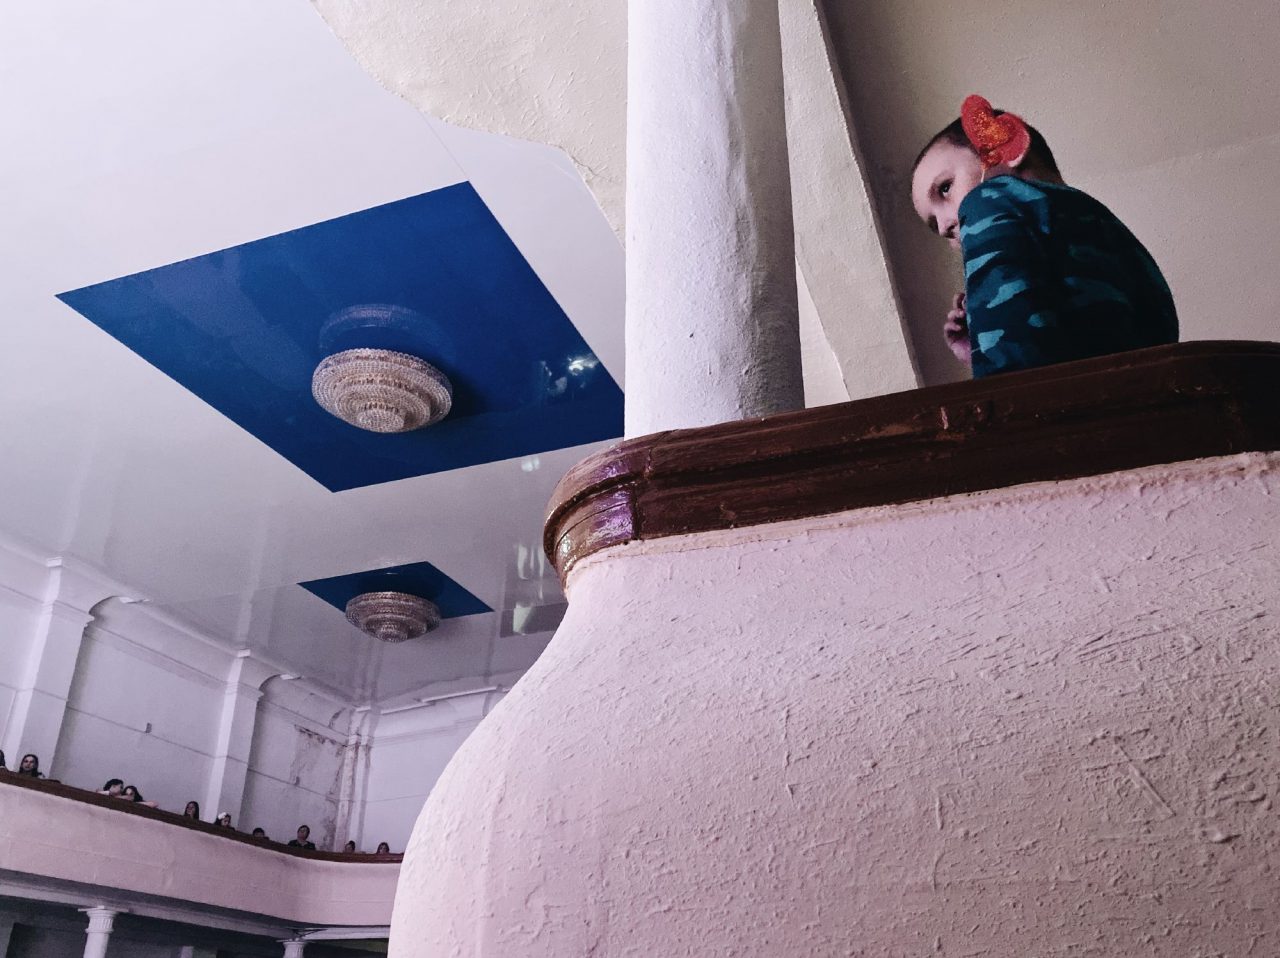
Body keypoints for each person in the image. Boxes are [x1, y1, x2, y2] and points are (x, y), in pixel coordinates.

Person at [910, 95, 1177, 379]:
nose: (944, 227)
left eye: (945, 188)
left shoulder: (987, 200)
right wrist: (980, 343)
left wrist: (992, 374)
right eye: (934, 224)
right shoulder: (1105, 225)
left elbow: (1014, 374)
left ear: (1005, 147)